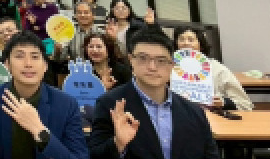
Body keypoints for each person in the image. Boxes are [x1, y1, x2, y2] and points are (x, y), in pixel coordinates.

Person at [89, 28, 219, 159]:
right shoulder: (109, 104)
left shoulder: (194, 112)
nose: (152, 67)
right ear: (131, 60)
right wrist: (117, 144)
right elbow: (95, 154)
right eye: (143, 58)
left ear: (172, 65)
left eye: (161, 60)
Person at [0, 31, 88, 159]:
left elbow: (79, 156)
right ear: (7, 65)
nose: (28, 64)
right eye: (19, 56)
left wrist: (40, 131)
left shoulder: (66, 104)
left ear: (45, 66)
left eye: (35, 57)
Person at [173, 26, 253, 110]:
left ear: (201, 45)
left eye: (191, 40)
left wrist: (223, 102)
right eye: (181, 39)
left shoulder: (217, 69)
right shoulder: (169, 68)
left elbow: (245, 104)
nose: (185, 43)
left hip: (210, 115)